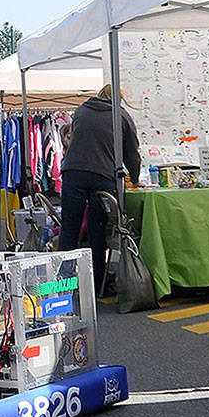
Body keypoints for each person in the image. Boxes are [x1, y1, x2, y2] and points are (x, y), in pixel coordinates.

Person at [59, 84, 141, 290]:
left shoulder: (81, 110)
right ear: (119, 99)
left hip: (73, 172)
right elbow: (132, 153)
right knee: (97, 231)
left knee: (69, 229)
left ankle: (64, 285)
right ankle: (95, 286)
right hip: (102, 175)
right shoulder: (121, 116)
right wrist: (135, 178)